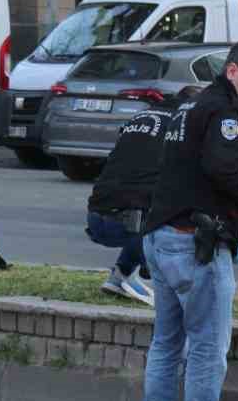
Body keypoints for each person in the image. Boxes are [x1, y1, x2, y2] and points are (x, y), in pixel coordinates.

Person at [137, 40, 238, 401]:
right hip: (196, 243)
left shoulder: (192, 106)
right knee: (208, 345)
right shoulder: (224, 112)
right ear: (234, 71)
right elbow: (223, 167)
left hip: (161, 234)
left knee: (166, 342)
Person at [86, 85, 202, 306]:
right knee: (178, 213)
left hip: (96, 216)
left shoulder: (143, 114)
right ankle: (154, 278)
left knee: (147, 196)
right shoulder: (181, 123)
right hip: (130, 224)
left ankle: (120, 275)